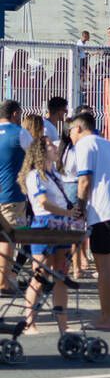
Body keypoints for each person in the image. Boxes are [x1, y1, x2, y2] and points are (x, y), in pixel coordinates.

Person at [71, 110, 110, 331]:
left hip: (103, 211)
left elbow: (84, 180)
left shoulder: (85, 145)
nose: (70, 136)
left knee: (104, 268)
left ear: (78, 128)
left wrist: (79, 206)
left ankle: (106, 317)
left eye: (70, 131)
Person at [20, 135, 74, 335]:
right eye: (50, 145)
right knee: (39, 275)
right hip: (44, 224)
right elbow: (42, 202)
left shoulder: (57, 175)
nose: (54, 147)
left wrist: (70, 215)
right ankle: (30, 322)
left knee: (61, 275)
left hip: (62, 226)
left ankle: (63, 324)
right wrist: (68, 213)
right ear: (41, 152)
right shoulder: (35, 175)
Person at [0, 101, 32, 292]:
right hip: (12, 194)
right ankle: (4, 282)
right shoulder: (20, 133)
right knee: (7, 239)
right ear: (15, 114)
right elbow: (35, 156)